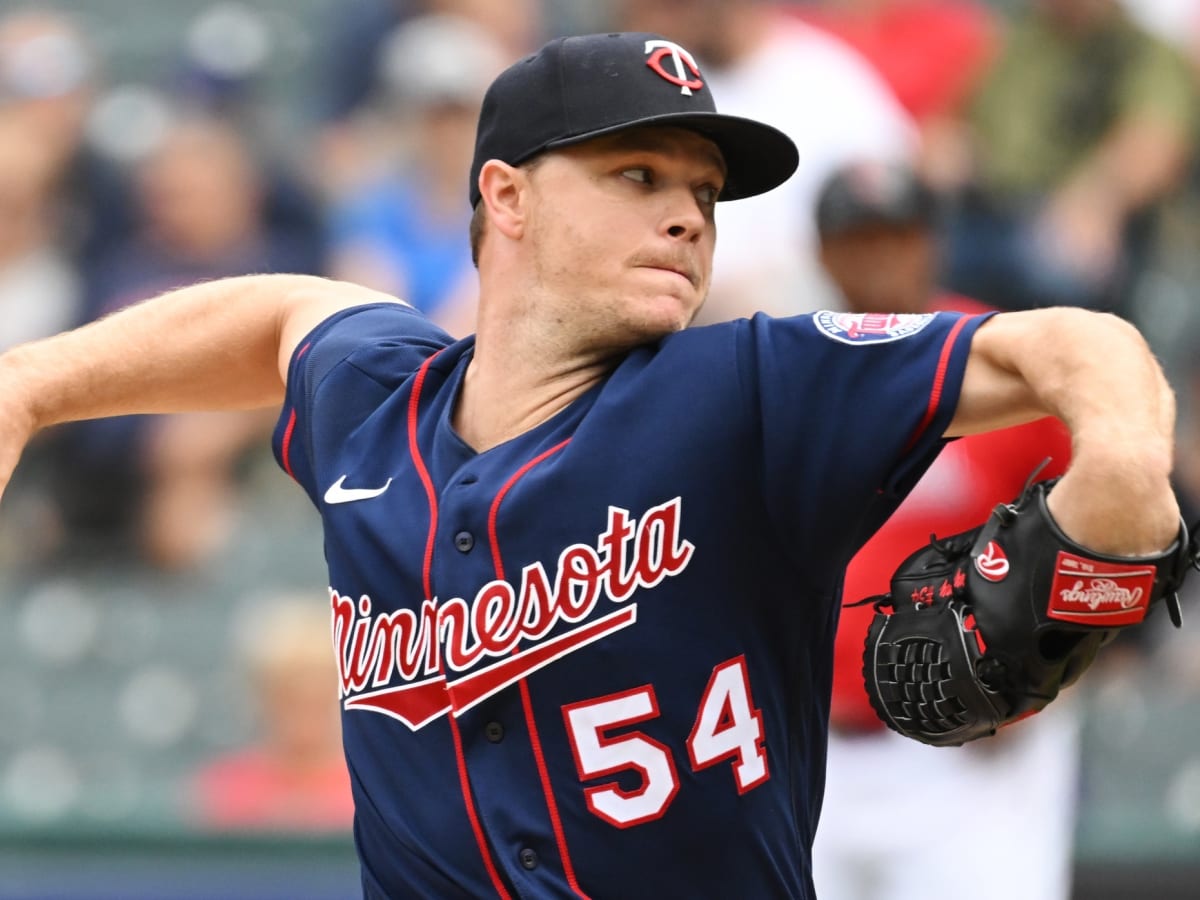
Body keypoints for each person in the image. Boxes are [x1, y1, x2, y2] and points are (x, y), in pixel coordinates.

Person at [0, 32, 1181, 900]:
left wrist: (1121, 475)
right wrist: (30, 385)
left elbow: (1070, 346)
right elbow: (280, 317)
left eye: (704, 194)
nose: (688, 218)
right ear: (504, 197)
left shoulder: (751, 390)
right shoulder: (378, 398)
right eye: (638, 178)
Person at [808, 160, 1080, 900]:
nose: (881, 258)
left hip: (974, 755)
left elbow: (1111, 528)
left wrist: (1051, 664)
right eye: (859, 240)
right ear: (822, 254)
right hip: (814, 750)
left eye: (897, 236)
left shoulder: (1004, 364)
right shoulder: (786, 370)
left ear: (932, 242)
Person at [190, 593, 355, 832]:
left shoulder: (367, 791)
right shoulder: (225, 788)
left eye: (317, 697)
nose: (304, 713)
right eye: (288, 696)